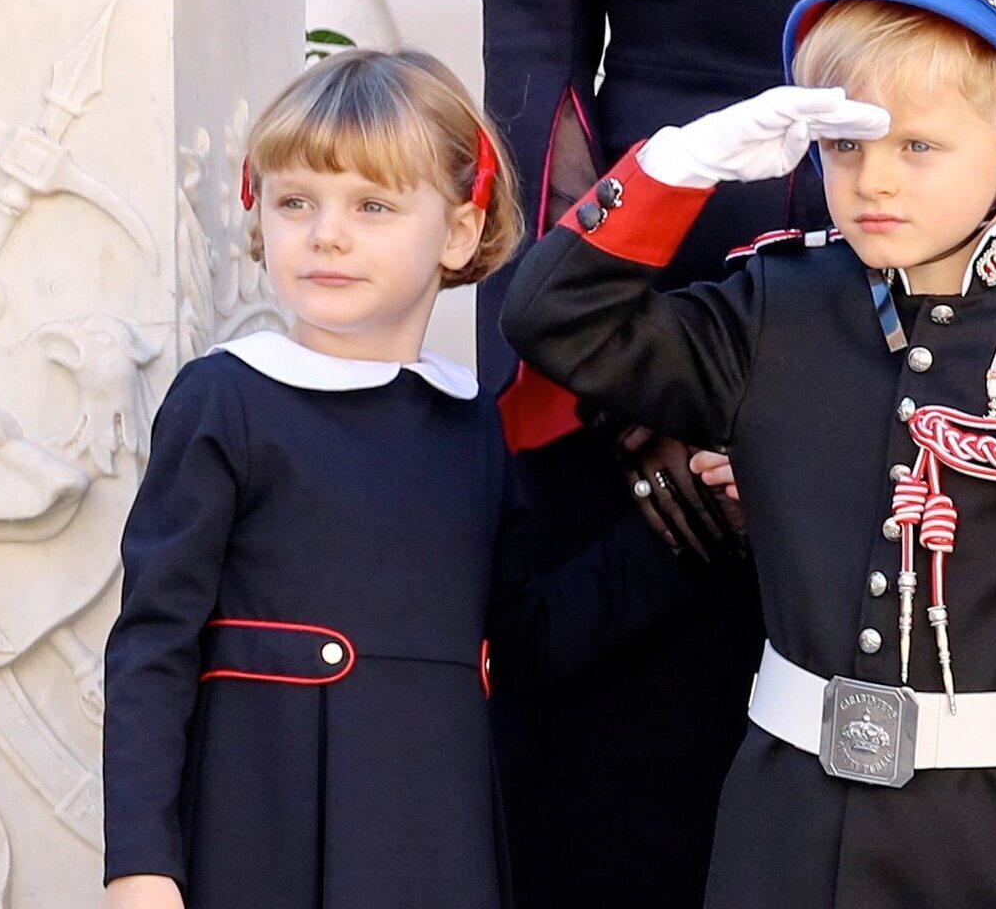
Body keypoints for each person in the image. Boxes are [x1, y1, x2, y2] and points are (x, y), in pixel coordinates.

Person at [501, 0, 996, 907]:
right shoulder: (774, 311)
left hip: (984, 847)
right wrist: (673, 166)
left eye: (917, 145)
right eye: (844, 146)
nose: (874, 178)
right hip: (779, 837)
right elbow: (551, 316)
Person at [99, 49, 697, 909]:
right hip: (257, 840)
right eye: (295, 202)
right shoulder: (226, 400)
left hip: (432, 842)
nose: (326, 234)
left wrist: (682, 532)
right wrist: (141, 866)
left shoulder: (471, 428)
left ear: (458, 231)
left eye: (372, 205)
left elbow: (523, 636)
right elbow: (154, 646)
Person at [477, 0, 856, 904]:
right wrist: (623, 394)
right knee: (614, 804)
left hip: (888, 330)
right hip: (630, 300)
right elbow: (534, 55)